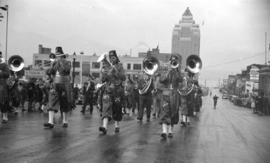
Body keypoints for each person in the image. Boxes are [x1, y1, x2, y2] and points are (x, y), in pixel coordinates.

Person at [44, 47, 72, 128]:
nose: (56, 57)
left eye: (58, 55)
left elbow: (66, 70)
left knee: (64, 103)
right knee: (51, 101)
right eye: (56, 55)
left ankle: (65, 121)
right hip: (55, 84)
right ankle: (50, 122)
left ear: (62, 55)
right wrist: (50, 68)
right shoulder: (55, 63)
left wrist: (60, 62)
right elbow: (51, 72)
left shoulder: (67, 62)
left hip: (64, 84)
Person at [98, 50, 126, 134]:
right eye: (110, 58)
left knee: (117, 108)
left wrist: (115, 71)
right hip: (108, 89)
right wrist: (103, 73)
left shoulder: (120, 66)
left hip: (117, 90)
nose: (111, 59)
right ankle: (104, 127)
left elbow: (123, 77)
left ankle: (117, 125)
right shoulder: (106, 67)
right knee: (106, 107)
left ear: (116, 58)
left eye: (113, 57)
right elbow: (103, 80)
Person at [159, 54, 182, 139]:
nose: (173, 62)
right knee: (165, 112)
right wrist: (168, 70)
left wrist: (176, 70)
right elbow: (161, 80)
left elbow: (180, 80)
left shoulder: (178, 73)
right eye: (172, 60)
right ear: (169, 61)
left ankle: (170, 131)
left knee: (174, 113)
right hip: (166, 94)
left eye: (175, 61)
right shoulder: (165, 71)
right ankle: (164, 131)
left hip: (175, 95)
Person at [0, 51, 10, 123]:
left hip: (2, 84)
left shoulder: (4, 65)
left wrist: (1, 72)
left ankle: (4, 116)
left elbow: (7, 74)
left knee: (3, 100)